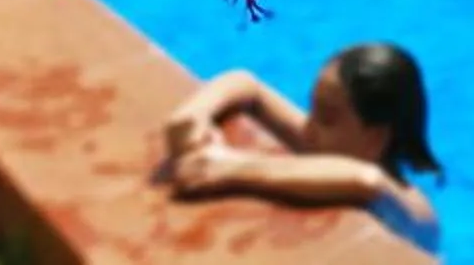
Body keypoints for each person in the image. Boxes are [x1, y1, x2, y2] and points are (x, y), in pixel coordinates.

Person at [162, 42, 443, 256]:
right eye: (313, 108)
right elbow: (247, 85)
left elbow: (365, 180)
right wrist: (194, 114)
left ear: (375, 138)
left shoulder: (410, 208)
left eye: (327, 117)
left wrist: (227, 167)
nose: (308, 127)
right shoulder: (325, 142)